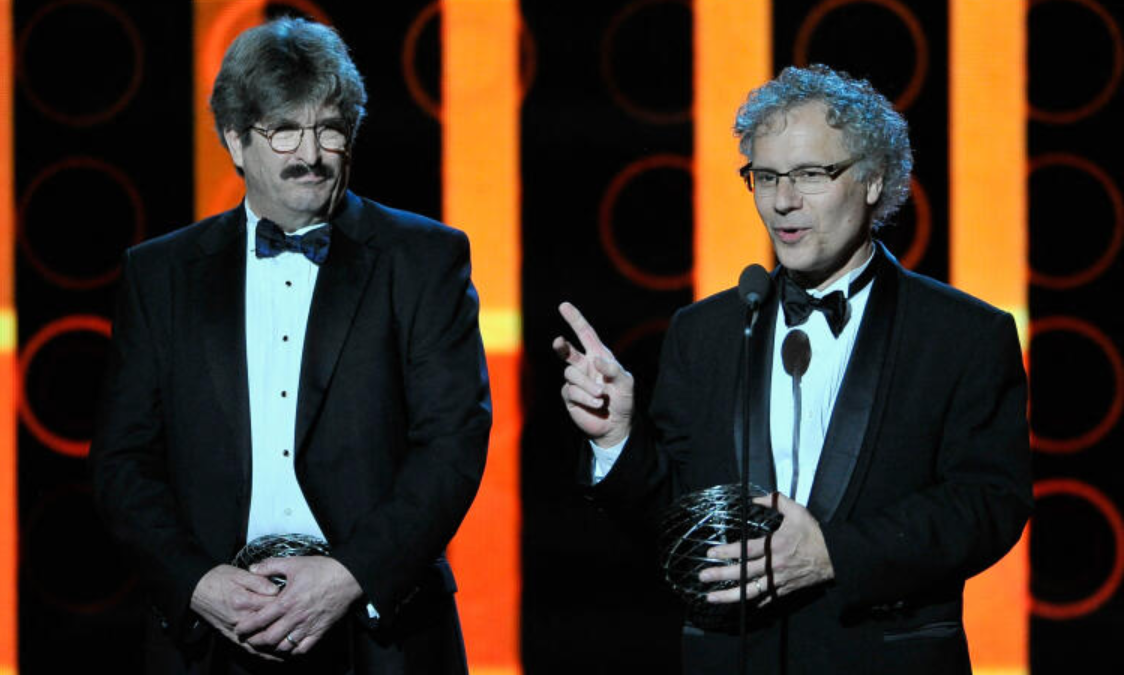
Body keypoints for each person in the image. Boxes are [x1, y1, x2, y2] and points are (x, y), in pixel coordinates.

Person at [554, 65, 1031, 674]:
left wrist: (834, 553)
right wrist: (618, 438)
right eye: (767, 176)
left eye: (810, 174)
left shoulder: (963, 334)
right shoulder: (705, 333)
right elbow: (677, 519)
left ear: (872, 179)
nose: (782, 200)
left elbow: (988, 504)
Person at [91, 17, 490, 674]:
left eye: (330, 128)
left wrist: (348, 575)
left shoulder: (424, 259)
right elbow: (122, 462)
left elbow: (452, 443)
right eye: (284, 130)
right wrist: (197, 583)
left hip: (378, 633)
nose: (312, 152)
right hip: (209, 637)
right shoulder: (159, 275)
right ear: (236, 141)